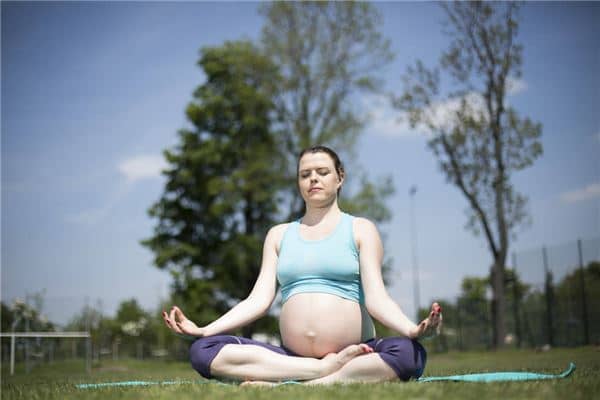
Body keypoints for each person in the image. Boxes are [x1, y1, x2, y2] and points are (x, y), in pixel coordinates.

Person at [162, 145, 443, 385]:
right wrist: (204, 330)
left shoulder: (360, 229)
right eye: (305, 174)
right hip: (290, 358)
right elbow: (258, 300)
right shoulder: (279, 235)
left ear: (340, 177)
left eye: (322, 172)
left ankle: (313, 385)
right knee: (203, 350)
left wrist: (411, 330)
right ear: (298, 182)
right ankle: (321, 371)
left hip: (356, 352)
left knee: (409, 354)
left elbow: (377, 298)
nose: (313, 179)